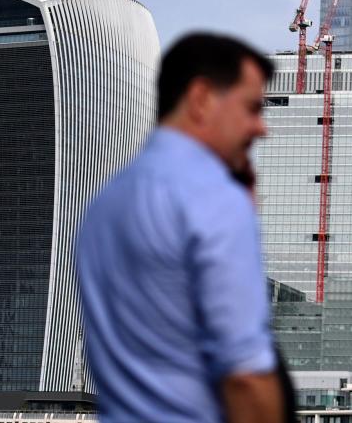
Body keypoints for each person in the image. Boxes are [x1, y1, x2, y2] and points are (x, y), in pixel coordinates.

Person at [76, 33, 285, 423]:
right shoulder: (212, 199)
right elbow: (246, 377)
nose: (262, 128)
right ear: (202, 98)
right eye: (252, 108)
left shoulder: (103, 206)